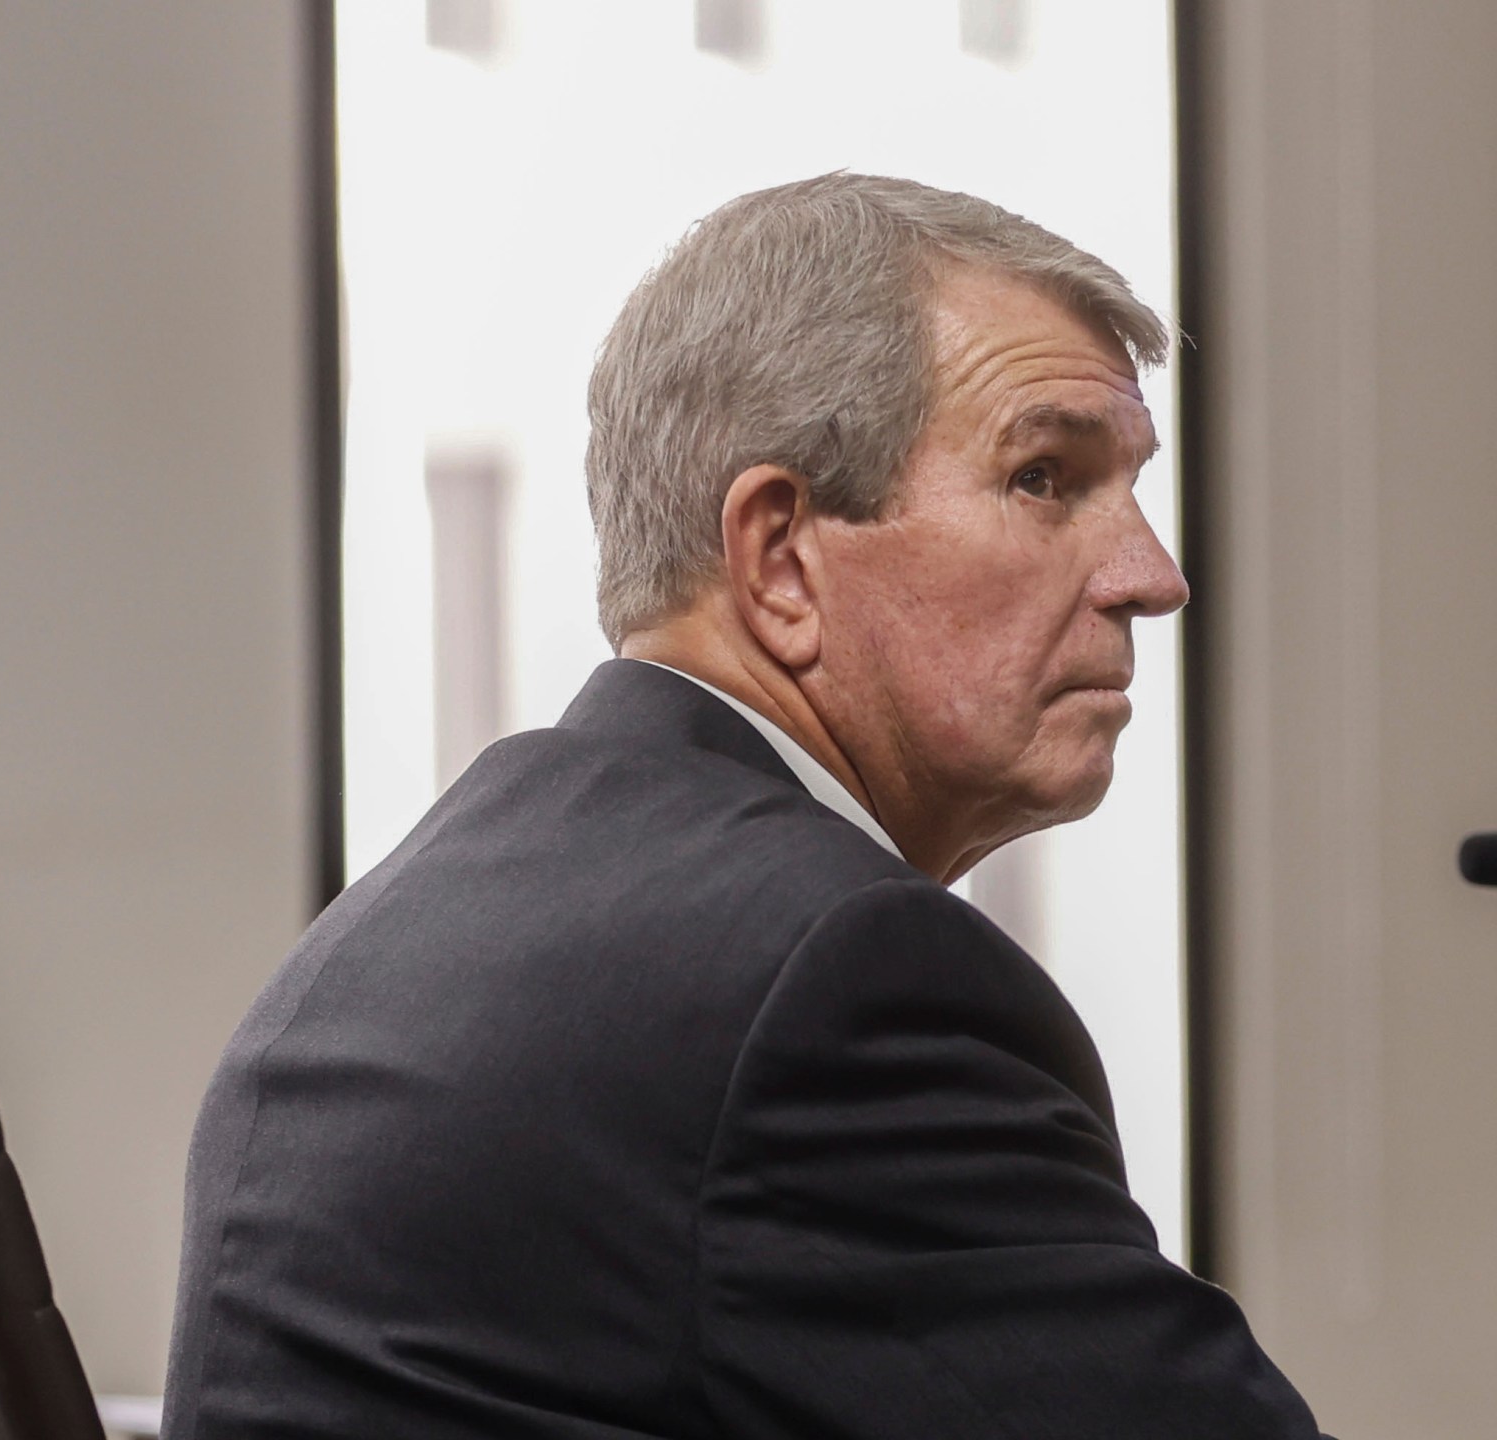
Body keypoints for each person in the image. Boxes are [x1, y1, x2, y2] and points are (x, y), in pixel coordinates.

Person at [162, 173, 1326, 1439]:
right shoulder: (836, 986)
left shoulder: (425, 907)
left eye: (1135, 490)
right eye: (1044, 478)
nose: (1151, 577)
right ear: (778, 557)